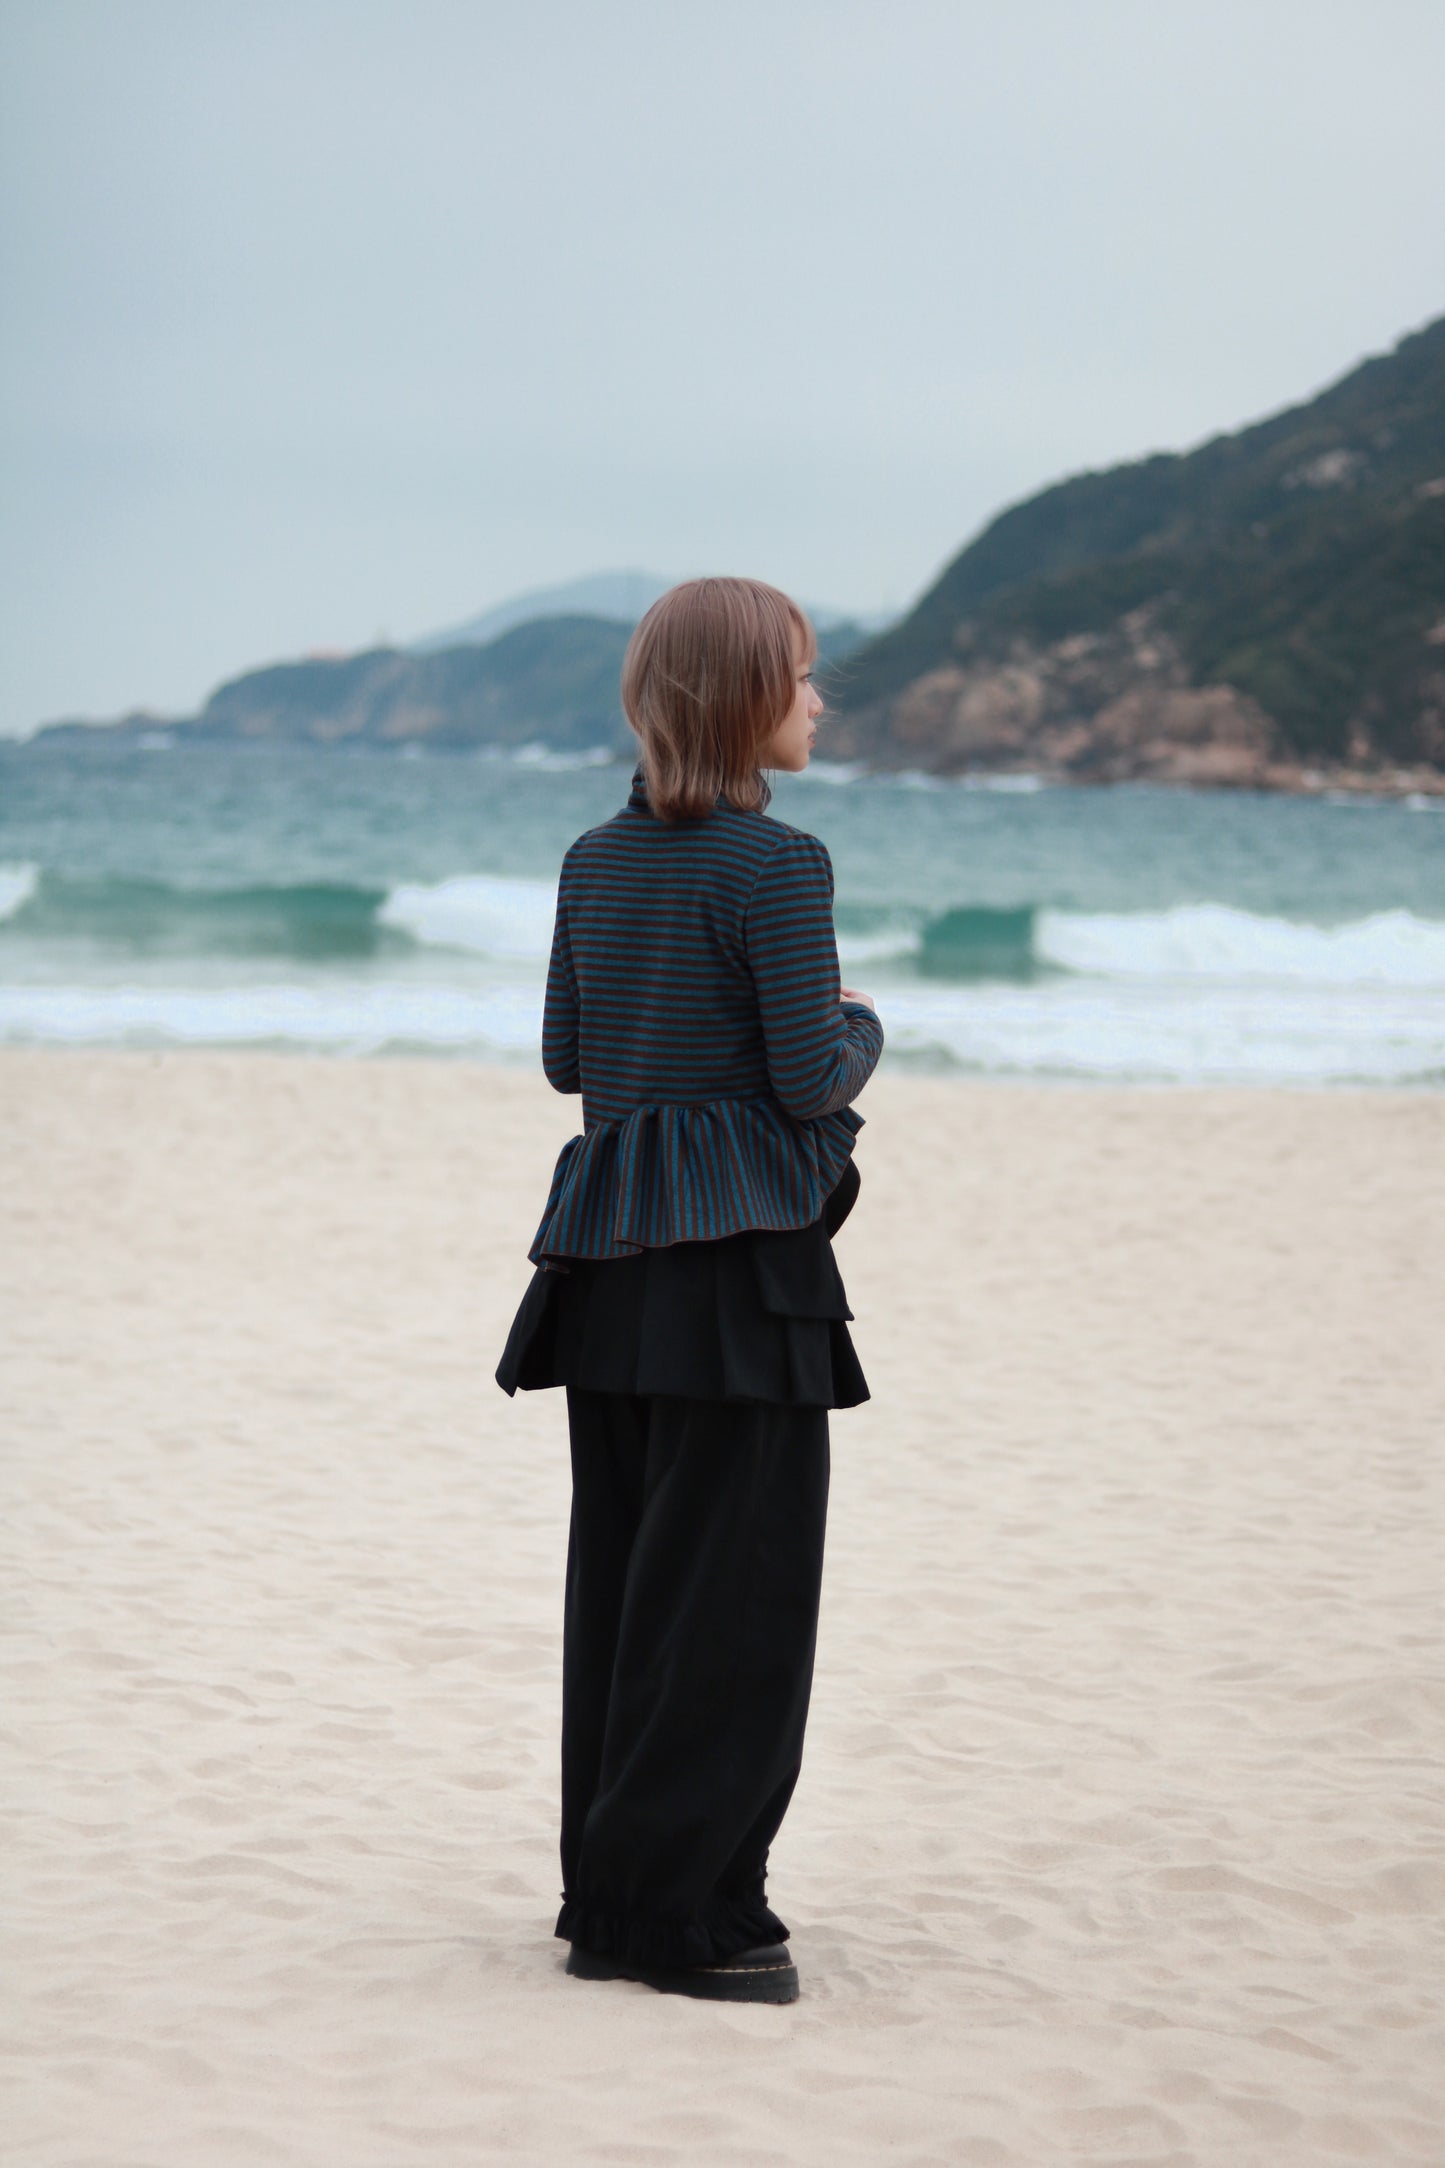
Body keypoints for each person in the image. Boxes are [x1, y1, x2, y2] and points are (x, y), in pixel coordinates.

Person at [496, 576, 884, 2004]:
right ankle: (678, 1917)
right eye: (803, 673)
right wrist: (864, 1027)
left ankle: (612, 1893)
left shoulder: (592, 855)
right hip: (739, 1276)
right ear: (742, 697)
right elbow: (806, 1076)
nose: (818, 699)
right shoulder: (778, 868)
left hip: (609, 1264)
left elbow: (564, 1058)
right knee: (739, 1596)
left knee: (630, 1579)